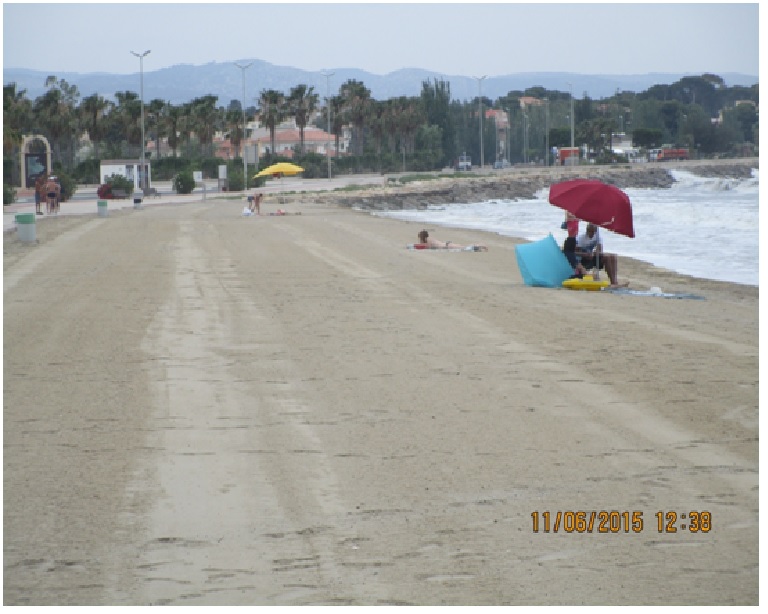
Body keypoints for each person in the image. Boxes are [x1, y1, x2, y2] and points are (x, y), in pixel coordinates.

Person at [417, 230, 488, 251]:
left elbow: (428, 246)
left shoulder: (428, 239)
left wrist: (419, 245)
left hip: (446, 246)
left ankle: (481, 245)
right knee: (464, 247)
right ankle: (480, 247)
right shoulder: (429, 238)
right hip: (446, 245)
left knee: (464, 248)